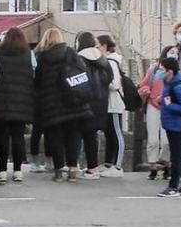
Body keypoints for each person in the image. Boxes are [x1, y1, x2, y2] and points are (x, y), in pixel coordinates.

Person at [33, 28, 93, 183]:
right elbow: (82, 72)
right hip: (72, 102)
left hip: (51, 105)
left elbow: (37, 83)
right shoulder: (70, 53)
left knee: (55, 138)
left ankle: (58, 170)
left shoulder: (42, 57)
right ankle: (72, 169)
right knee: (73, 136)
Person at [0, 28, 34, 184]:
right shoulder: (27, 54)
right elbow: (31, 76)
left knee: (2, 137)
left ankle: (2, 171)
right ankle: (17, 170)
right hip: (21, 102)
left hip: (0, 102)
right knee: (18, 138)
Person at [157, 56, 181, 197]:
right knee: (177, 154)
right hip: (169, 124)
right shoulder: (168, 82)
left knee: (176, 156)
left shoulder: (177, 85)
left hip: (176, 125)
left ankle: (173, 186)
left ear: (169, 71)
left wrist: (170, 105)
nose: (159, 72)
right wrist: (162, 100)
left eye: (162, 69)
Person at [74, 32, 110, 180]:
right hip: (101, 102)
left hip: (85, 102)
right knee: (92, 135)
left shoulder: (79, 59)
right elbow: (110, 78)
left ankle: (75, 166)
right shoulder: (102, 59)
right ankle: (93, 168)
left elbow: (79, 81)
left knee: (78, 134)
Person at [139, 46, 178, 180]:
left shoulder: (177, 72)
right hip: (153, 106)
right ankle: (153, 166)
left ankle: (165, 163)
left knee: (167, 141)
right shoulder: (154, 68)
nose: (174, 54)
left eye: (176, 53)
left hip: (169, 107)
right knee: (153, 139)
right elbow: (144, 84)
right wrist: (145, 91)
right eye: (171, 52)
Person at [98, 34, 127, 178]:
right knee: (109, 133)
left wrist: (101, 82)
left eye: (98, 46)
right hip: (108, 103)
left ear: (104, 46)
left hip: (114, 102)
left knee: (116, 132)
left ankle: (118, 165)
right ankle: (108, 162)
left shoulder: (111, 62)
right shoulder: (108, 61)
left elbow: (115, 84)